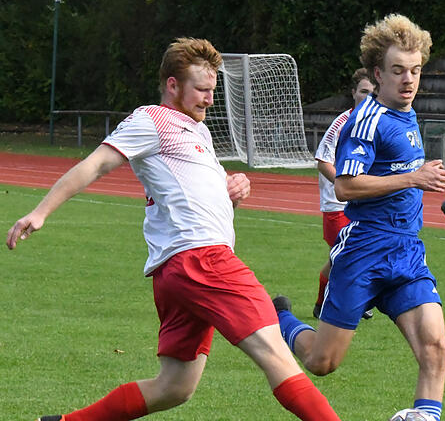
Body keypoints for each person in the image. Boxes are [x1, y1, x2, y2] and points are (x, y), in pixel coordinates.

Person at [6, 38, 339, 421]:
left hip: (181, 269)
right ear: (172, 85)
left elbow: (190, 195)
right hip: (202, 260)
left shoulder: (198, 132)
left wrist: (232, 191)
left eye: (213, 90)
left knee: (175, 386)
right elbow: (95, 165)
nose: (209, 99)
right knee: (277, 354)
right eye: (200, 89)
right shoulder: (151, 119)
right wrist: (41, 211)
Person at [272, 14, 445, 421]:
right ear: (377, 72)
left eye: (415, 71)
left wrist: (428, 180)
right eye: (398, 71)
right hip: (365, 249)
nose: (408, 80)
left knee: (435, 347)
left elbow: (403, 177)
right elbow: (346, 187)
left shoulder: (408, 114)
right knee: (322, 362)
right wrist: (413, 177)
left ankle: (424, 416)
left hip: (406, 250)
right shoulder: (366, 120)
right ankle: (279, 317)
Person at [313, 67, 374, 319]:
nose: (368, 97)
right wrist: (345, 185)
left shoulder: (373, 123)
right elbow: (322, 161)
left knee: (341, 258)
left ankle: (324, 304)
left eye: (373, 93)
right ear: (353, 93)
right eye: (363, 92)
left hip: (359, 206)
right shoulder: (342, 123)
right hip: (336, 206)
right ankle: (347, 305)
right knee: (349, 256)